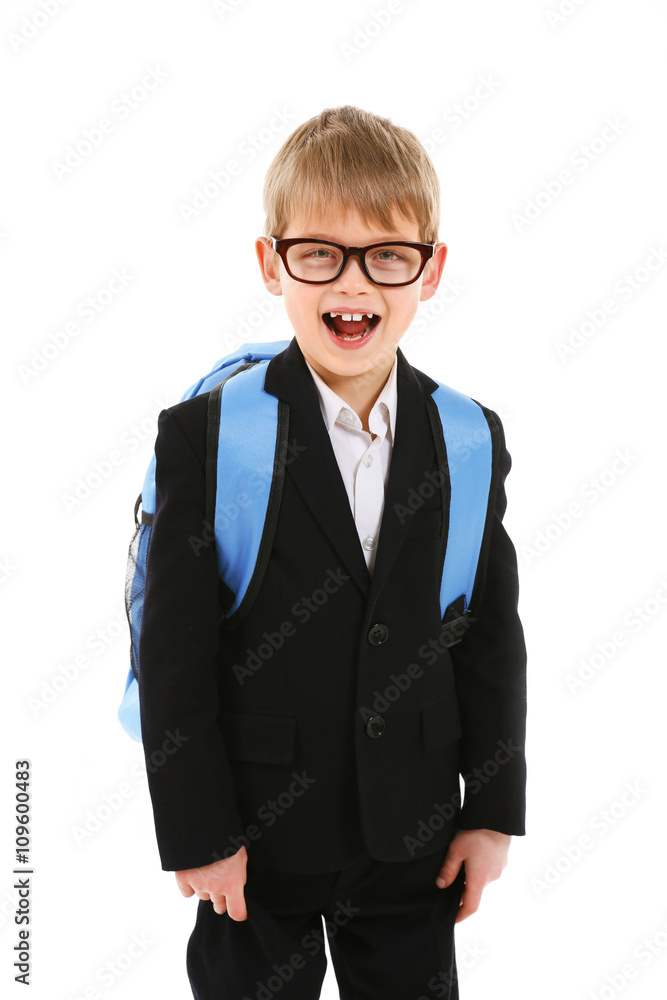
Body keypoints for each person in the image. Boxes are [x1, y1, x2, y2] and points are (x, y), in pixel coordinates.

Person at [137, 104, 527, 1000]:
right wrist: (198, 830)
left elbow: (488, 636)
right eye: (320, 253)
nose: (353, 284)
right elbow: (174, 653)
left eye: (387, 255)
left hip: (415, 840)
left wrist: (491, 811)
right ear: (272, 263)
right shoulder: (206, 435)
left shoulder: (466, 436)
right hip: (254, 838)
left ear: (429, 272)